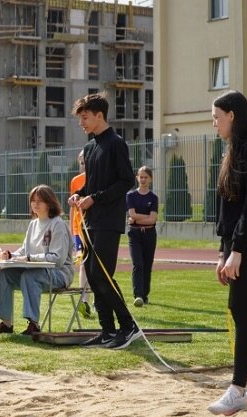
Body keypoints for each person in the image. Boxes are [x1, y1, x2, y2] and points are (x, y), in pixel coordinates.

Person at [206, 90, 247, 416]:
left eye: (217, 117)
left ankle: (237, 390)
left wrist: (238, 250)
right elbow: (227, 208)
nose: (214, 123)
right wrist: (224, 251)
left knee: (239, 308)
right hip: (238, 243)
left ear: (232, 115)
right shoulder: (233, 150)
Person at [68, 92, 141, 350]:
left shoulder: (116, 143)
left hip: (109, 221)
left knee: (103, 275)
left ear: (100, 115)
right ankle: (107, 330)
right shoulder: (89, 148)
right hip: (90, 221)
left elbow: (126, 181)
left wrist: (95, 198)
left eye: (85, 118)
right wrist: (79, 195)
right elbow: (92, 183)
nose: (82, 123)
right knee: (91, 273)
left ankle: (128, 326)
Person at [0, 185, 74, 335]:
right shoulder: (33, 224)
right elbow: (24, 250)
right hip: (36, 270)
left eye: (39, 201)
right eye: (33, 201)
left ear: (50, 203)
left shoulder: (58, 224)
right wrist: (10, 255)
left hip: (59, 274)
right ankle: (6, 324)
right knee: (3, 274)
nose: (35, 204)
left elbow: (57, 260)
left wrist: (28, 258)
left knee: (30, 276)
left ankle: (33, 325)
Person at [126, 165, 158, 307]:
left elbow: (153, 220)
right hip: (135, 234)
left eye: (146, 177)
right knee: (138, 264)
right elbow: (131, 215)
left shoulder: (153, 198)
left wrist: (138, 218)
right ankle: (138, 295)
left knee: (147, 264)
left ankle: (145, 295)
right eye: (141, 177)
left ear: (150, 179)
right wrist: (145, 216)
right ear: (137, 178)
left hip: (150, 233)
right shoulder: (131, 196)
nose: (143, 179)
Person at [69, 150, 92, 318]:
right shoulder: (75, 181)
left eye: (87, 162)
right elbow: (72, 208)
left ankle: (99, 299)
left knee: (95, 265)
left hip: (94, 228)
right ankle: (84, 301)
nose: (84, 166)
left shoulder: (97, 180)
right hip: (79, 230)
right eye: (82, 163)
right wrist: (72, 230)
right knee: (83, 264)